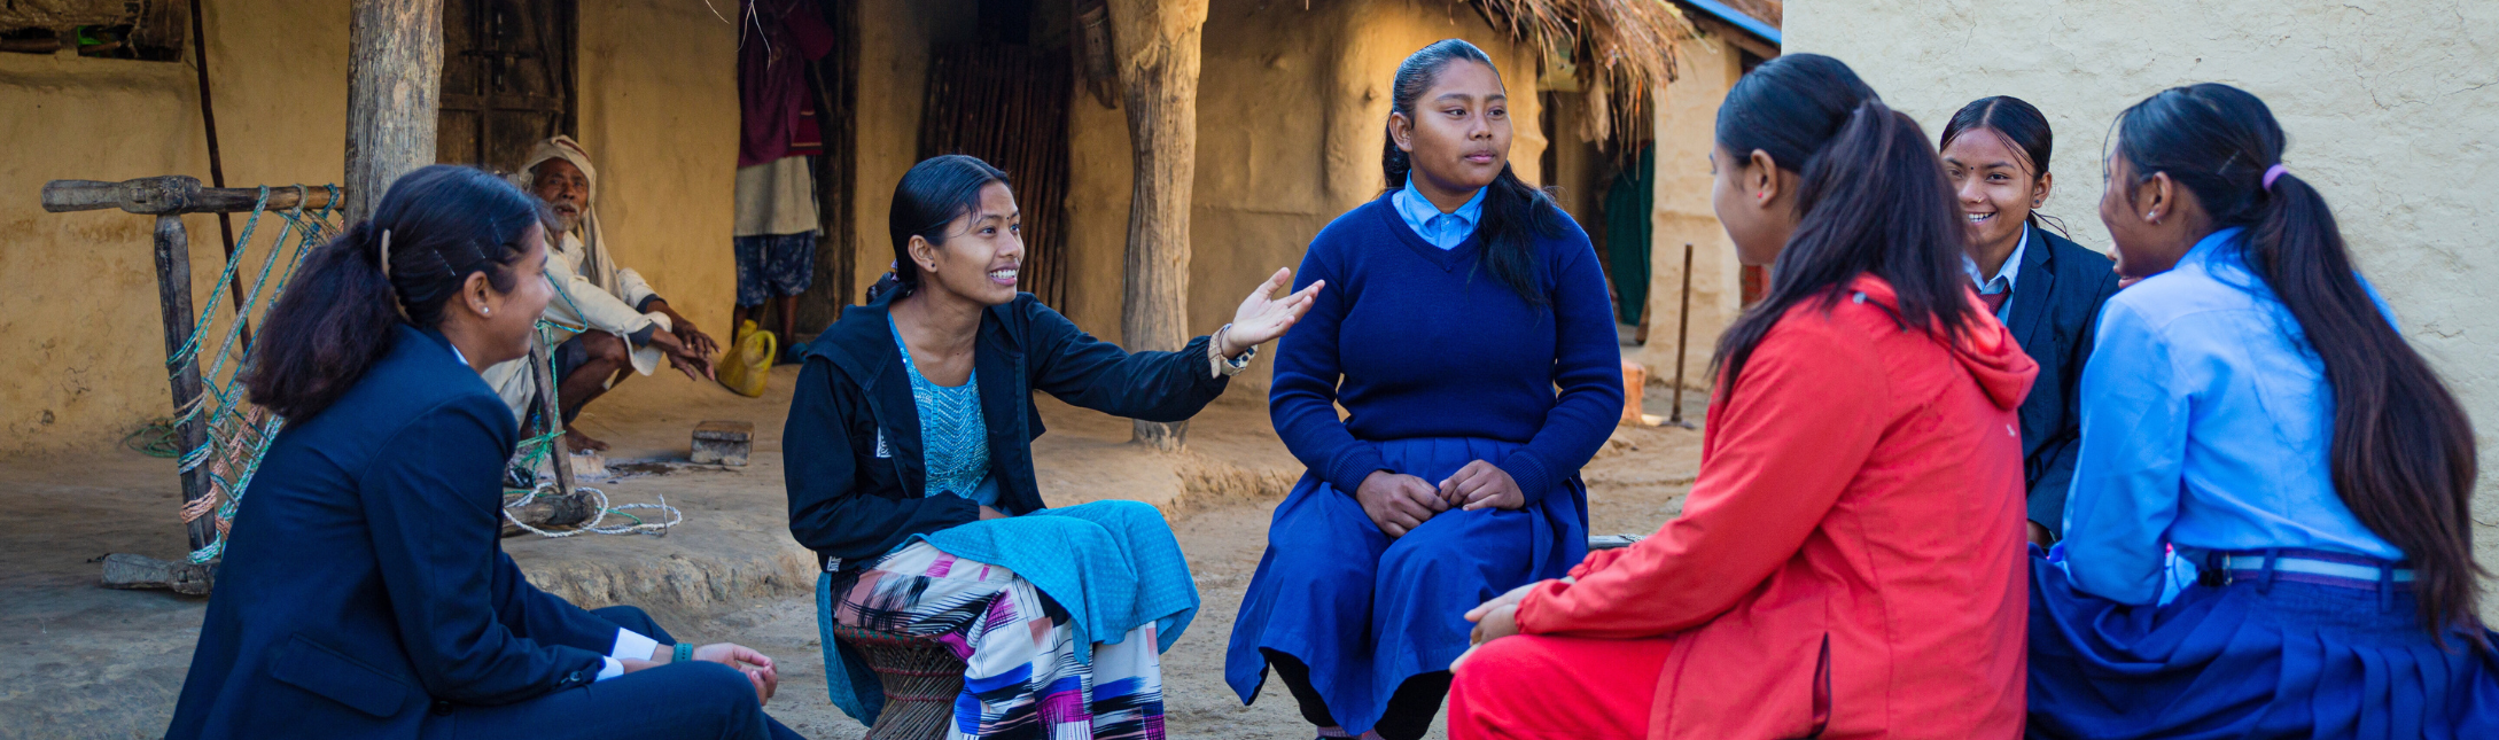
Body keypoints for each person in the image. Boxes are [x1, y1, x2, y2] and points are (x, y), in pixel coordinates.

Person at [1444, 54, 2036, 739]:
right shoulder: (1927, 308)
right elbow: (1736, 533)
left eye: (1715, 172)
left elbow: (1710, 557)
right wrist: (1580, 584)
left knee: (1499, 680)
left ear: (1760, 178)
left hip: (1874, 694)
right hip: (1926, 675)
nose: (1715, 194)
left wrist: (1544, 605)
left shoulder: (1838, 337)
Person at [168, 165, 799, 740]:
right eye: (539, 274)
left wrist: (669, 657)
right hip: (339, 716)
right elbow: (463, 656)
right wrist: (633, 671)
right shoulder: (447, 412)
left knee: (647, 637)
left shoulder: (396, 367)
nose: (548, 296)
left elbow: (497, 593)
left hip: (349, 683)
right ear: (480, 293)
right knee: (714, 697)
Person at [783, 154, 1318, 740]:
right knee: (1039, 589)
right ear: (924, 253)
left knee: (1127, 532)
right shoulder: (846, 359)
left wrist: (1227, 344)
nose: (1011, 247)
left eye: (1013, 227)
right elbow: (820, 517)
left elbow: (1127, 380)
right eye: (987, 231)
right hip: (876, 571)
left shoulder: (1017, 326)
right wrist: (963, 516)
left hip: (992, 544)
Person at [2027, 83, 2498, 739]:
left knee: (2011, 595)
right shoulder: (2350, 300)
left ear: (2156, 195)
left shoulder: (2151, 313)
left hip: (2272, 662)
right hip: (2426, 661)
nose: (2104, 206)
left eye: (2111, 181)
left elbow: (2111, 566)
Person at [1225, 39, 1625, 740]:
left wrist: (1523, 475)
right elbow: (1297, 392)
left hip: (1499, 490)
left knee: (1431, 566)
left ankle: (1384, 731)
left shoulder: (1554, 241)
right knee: (1311, 568)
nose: (1483, 129)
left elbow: (1595, 387)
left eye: (1495, 111)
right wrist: (1362, 478)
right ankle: (1337, 728)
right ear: (1403, 131)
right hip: (1372, 479)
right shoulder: (1345, 245)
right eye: (1457, 111)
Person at [1937, 96, 2122, 546]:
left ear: (2040, 189)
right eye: (1954, 173)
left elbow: (2091, 427)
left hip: (2021, 537)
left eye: (1996, 177)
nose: (1969, 194)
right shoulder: (1899, 274)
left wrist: (2031, 530)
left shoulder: (2090, 282)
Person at [479, 135, 718, 452]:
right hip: (505, 382)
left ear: (587, 200)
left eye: (578, 184)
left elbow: (622, 284)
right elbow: (580, 295)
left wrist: (680, 325)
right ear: (530, 189)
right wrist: (666, 340)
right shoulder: (524, 243)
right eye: (555, 181)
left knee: (642, 331)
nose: (568, 192)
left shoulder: (571, 248)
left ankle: (557, 420)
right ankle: (538, 426)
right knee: (614, 345)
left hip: (540, 366)